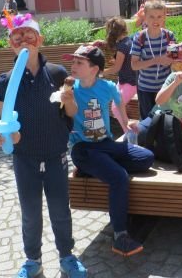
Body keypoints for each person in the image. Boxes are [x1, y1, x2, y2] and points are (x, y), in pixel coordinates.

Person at [0, 14, 87, 278]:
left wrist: (69, 99)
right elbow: (5, 119)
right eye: (17, 37)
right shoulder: (6, 80)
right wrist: (8, 136)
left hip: (55, 154)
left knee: (60, 210)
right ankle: (33, 260)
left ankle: (67, 256)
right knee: (31, 213)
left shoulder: (56, 73)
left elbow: (71, 112)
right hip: (25, 158)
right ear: (10, 44)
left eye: (29, 35)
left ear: (40, 40)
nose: (23, 41)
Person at [62, 45, 154, 257]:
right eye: (73, 62)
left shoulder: (108, 87)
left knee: (147, 158)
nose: (73, 66)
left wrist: (126, 123)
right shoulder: (69, 88)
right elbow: (69, 113)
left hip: (106, 144)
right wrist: (67, 99)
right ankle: (120, 236)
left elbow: (119, 105)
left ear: (94, 69)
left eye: (79, 62)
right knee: (119, 177)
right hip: (83, 148)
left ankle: (92, 168)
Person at [130, 0, 175, 119]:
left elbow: (175, 60)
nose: (156, 20)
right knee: (148, 122)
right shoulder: (139, 37)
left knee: (165, 121)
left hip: (165, 88)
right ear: (145, 17)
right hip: (145, 89)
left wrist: (173, 61)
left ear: (164, 17)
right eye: (151, 17)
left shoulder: (169, 36)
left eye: (159, 16)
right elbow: (134, 65)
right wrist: (156, 60)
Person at [101, 16, 137, 133]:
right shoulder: (129, 41)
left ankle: (129, 133)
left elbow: (116, 68)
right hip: (126, 81)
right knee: (117, 107)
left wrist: (100, 73)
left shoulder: (122, 46)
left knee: (116, 108)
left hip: (130, 83)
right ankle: (129, 131)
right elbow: (126, 61)